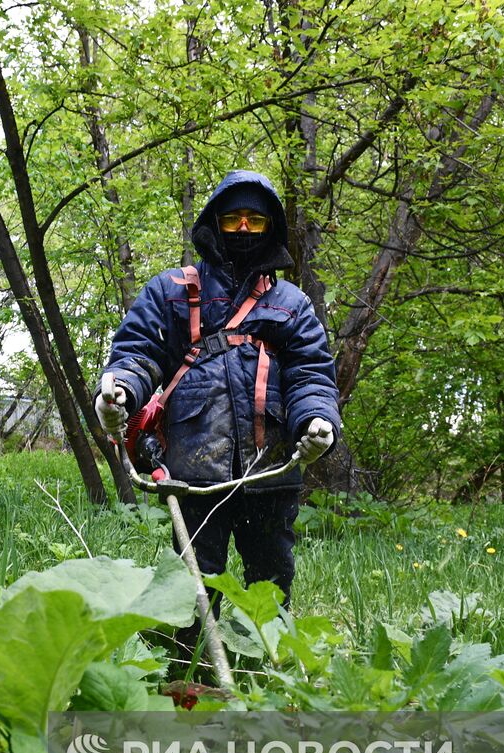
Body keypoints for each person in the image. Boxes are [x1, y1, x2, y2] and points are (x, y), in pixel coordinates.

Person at [96, 169, 340, 671]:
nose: (245, 228)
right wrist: (120, 388)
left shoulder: (294, 306)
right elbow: (139, 352)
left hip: (271, 473)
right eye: (233, 218)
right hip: (192, 473)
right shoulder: (170, 292)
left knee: (269, 588)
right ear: (215, 223)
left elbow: (312, 374)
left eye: (255, 218)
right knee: (191, 587)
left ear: (271, 226)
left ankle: (262, 678)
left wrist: (317, 422)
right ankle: (183, 679)